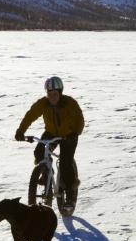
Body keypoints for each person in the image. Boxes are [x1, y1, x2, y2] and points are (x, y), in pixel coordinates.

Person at [15, 76, 84, 211]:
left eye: (55, 94)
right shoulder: (43, 103)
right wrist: (20, 131)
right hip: (51, 133)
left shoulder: (70, 103)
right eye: (49, 94)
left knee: (65, 162)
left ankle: (70, 194)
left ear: (60, 92)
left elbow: (79, 119)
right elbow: (30, 116)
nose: (52, 97)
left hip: (69, 135)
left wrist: (75, 133)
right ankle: (46, 173)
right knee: (39, 152)